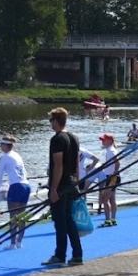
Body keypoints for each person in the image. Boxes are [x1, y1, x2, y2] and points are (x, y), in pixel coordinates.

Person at [42, 107, 83, 267]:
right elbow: (77, 164)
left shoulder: (57, 139)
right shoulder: (74, 138)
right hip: (71, 183)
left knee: (60, 222)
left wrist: (53, 189)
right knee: (69, 220)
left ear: (56, 121)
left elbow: (58, 166)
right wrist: (77, 184)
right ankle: (77, 254)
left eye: (51, 120)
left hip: (61, 185)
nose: (50, 124)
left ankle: (60, 255)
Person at [0, 136, 30, 249]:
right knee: (22, 215)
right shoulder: (17, 155)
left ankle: (12, 244)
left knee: (13, 216)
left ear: (6, 145)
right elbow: (24, 172)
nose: (0, 146)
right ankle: (19, 242)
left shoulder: (4, 157)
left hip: (16, 187)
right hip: (26, 186)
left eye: (1, 144)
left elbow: (0, 174)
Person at [96, 134, 120, 228]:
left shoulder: (111, 150)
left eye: (104, 140)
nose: (102, 142)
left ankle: (107, 220)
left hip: (112, 177)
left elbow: (117, 162)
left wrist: (114, 173)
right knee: (112, 199)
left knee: (104, 199)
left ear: (110, 141)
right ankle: (113, 219)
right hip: (112, 176)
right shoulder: (111, 149)